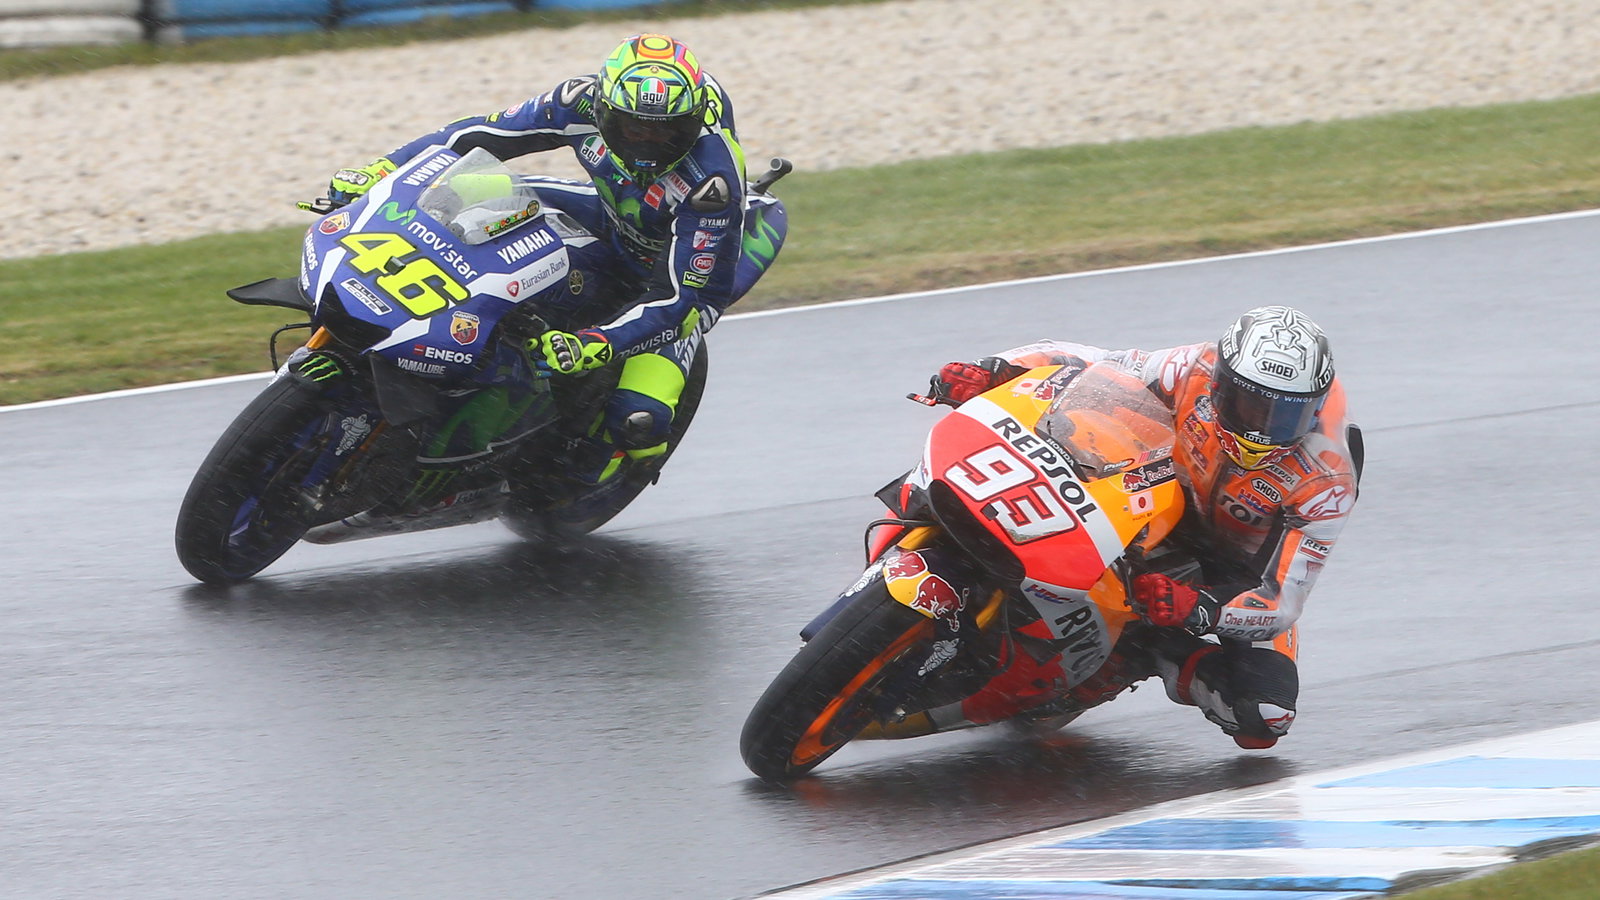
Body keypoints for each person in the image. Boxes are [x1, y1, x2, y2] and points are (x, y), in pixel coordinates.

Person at [323, 33, 785, 487]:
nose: (647, 142)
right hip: (611, 213)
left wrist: (596, 344)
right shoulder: (577, 100)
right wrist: (381, 170)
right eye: (635, 128)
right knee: (461, 190)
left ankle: (568, 474)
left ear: (692, 122)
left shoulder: (712, 183)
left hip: (672, 277)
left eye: (665, 132)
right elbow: (474, 134)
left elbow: (683, 300)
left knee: (639, 423)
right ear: (604, 110)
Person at [928, 306, 1362, 748]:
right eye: (1250, 404)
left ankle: (1145, 653)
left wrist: (1200, 607)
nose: (1262, 429)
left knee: (1265, 716)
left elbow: (1282, 600)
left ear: (1316, 406)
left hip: (1230, 574)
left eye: (1284, 415)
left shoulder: (1327, 477)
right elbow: (1097, 363)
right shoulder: (1194, 369)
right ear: (1221, 383)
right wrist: (997, 369)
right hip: (1151, 501)